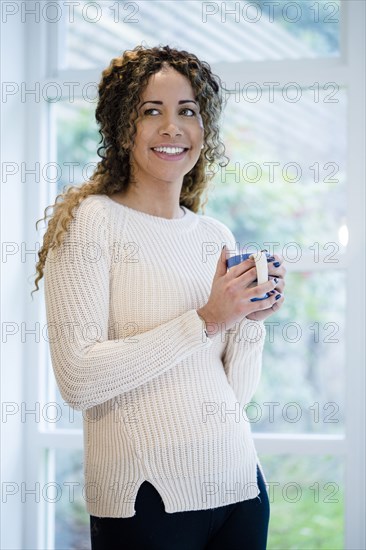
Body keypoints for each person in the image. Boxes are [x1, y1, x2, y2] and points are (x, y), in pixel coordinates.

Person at [33, 44, 286, 550]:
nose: (173, 127)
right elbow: (78, 379)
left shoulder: (213, 234)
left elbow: (232, 394)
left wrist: (248, 317)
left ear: (204, 131)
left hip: (239, 483)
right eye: (152, 111)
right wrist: (207, 320)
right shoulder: (90, 224)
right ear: (122, 127)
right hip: (147, 501)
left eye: (187, 112)